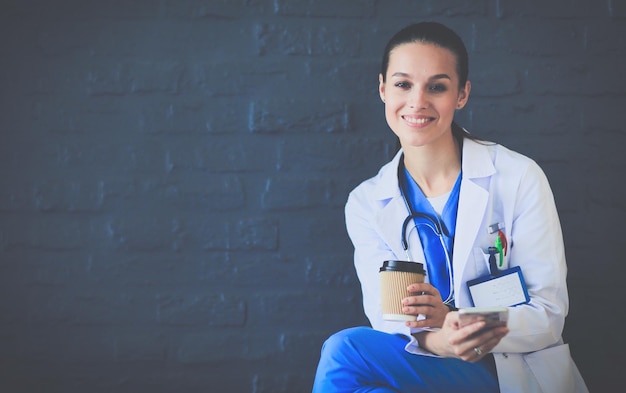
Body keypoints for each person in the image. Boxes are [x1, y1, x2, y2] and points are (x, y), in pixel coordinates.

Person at [312, 21, 589, 393]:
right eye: (403, 84)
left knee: (344, 352)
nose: (418, 101)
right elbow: (386, 316)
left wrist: (460, 322)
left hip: (509, 370)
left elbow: (548, 317)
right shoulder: (367, 202)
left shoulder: (517, 177)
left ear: (462, 94)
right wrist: (437, 339)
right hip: (427, 362)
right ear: (382, 89)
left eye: (437, 87)